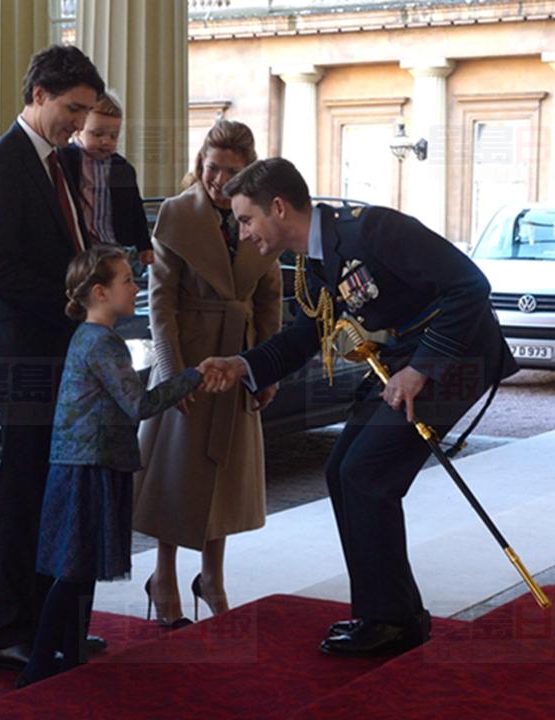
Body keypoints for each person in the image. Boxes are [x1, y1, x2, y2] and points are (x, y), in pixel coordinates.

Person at [200, 157, 518, 656]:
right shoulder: (318, 259)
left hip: (456, 358)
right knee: (341, 470)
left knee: (367, 474)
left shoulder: (376, 230)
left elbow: (470, 287)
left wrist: (422, 368)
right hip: (407, 358)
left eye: (245, 219)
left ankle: (389, 621)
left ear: (278, 207)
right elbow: (306, 335)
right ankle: (393, 614)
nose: (242, 234)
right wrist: (243, 366)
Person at [16, 245, 211, 687]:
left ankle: (67, 658)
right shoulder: (103, 342)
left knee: (78, 568)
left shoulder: (89, 338)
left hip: (83, 461)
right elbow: (138, 404)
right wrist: (191, 376)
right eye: (127, 280)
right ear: (100, 292)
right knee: (73, 571)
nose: (135, 286)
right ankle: (40, 665)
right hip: (90, 465)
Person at [0, 45, 106, 671]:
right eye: (72, 109)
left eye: (86, 112)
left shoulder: (58, 163)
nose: (78, 123)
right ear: (39, 96)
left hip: (61, 356)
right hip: (24, 358)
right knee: (24, 498)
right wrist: (75, 308)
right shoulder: (0, 166)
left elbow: (65, 251)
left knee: (58, 494)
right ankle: (8, 633)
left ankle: (51, 624)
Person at [132, 121, 282, 626]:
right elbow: (160, 303)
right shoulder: (177, 214)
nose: (217, 178)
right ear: (200, 162)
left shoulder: (257, 218)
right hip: (189, 362)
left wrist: (267, 369)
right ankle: (164, 577)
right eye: (210, 166)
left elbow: (268, 300)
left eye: (230, 170)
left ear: (249, 173)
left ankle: (213, 578)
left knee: (222, 480)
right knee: (177, 479)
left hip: (238, 363)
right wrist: (173, 373)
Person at [60, 91, 155, 266]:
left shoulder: (122, 168)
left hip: (114, 246)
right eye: (97, 134)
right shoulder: (65, 158)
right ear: (78, 130)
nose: (105, 141)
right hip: (80, 248)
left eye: (113, 136)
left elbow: (135, 208)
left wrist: (144, 245)